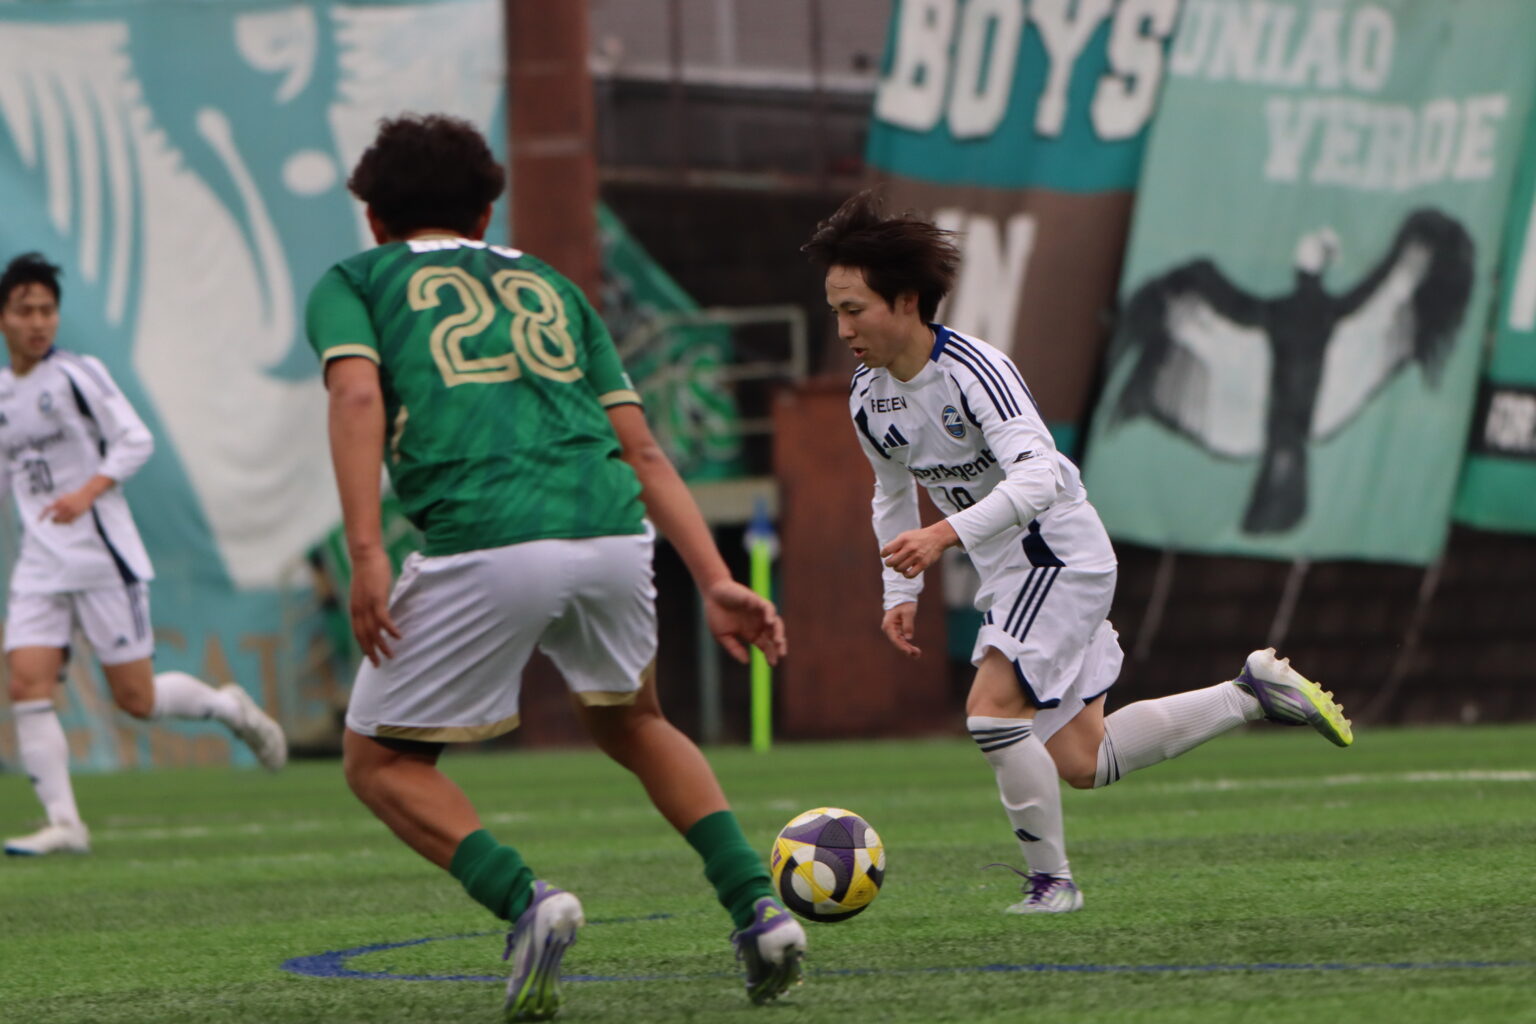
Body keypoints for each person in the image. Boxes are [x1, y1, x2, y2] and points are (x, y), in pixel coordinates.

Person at [305, 114, 805, 1021]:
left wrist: (367, 551)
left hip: (486, 538)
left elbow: (354, 392)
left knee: (379, 762)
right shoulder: (551, 285)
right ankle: (760, 911)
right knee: (636, 721)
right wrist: (713, 577)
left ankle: (527, 901)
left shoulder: (357, 280)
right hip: (611, 531)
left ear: (373, 217)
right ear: (485, 213)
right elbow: (643, 449)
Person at [803, 192, 1353, 914]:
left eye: (853, 310)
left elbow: (1038, 477)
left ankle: (1052, 886)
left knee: (991, 713)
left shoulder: (974, 371)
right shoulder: (867, 396)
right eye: (835, 311)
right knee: (1084, 760)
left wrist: (944, 535)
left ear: (906, 301)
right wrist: (900, 592)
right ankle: (1249, 694)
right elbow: (891, 492)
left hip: (1055, 554)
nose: (843, 329)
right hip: (1015, 571)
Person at [1, 253, 287, 857]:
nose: (38, 322)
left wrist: (88, 490)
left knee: (138, 701)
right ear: (3, 318)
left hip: (102, 559)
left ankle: (227, 707)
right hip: (40, 565)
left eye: (47, 310)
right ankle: (65, 824)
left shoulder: (77, 375)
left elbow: (136, 438)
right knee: (26, 682)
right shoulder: (3, 393)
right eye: (25, 311)